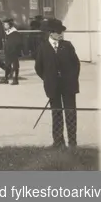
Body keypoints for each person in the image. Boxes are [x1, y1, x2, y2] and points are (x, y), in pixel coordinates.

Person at [34, 18, 80, 150]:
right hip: (53, 86)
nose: (60, 34)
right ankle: (58, 142)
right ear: (50, 33)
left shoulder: (67, 45)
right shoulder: (43, 48)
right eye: (57, 32)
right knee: (56, 113)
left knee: (70, 113)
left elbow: (76, 65)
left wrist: (70, 79)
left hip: (68, 86)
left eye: (62, 32)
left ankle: (72, 143)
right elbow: (39, 68)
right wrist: (49, 79)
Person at [2, 18, 22, 86]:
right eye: (4, 24)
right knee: (7, 64)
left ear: (10, 25)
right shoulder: (7, 32)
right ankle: (6, 78)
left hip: (14, 51)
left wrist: (14, 50)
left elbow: (17, 43)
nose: (5, 26)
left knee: (15, 65)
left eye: (6, 24)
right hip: (8, 50)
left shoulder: (15, 32)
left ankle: (15, 79)